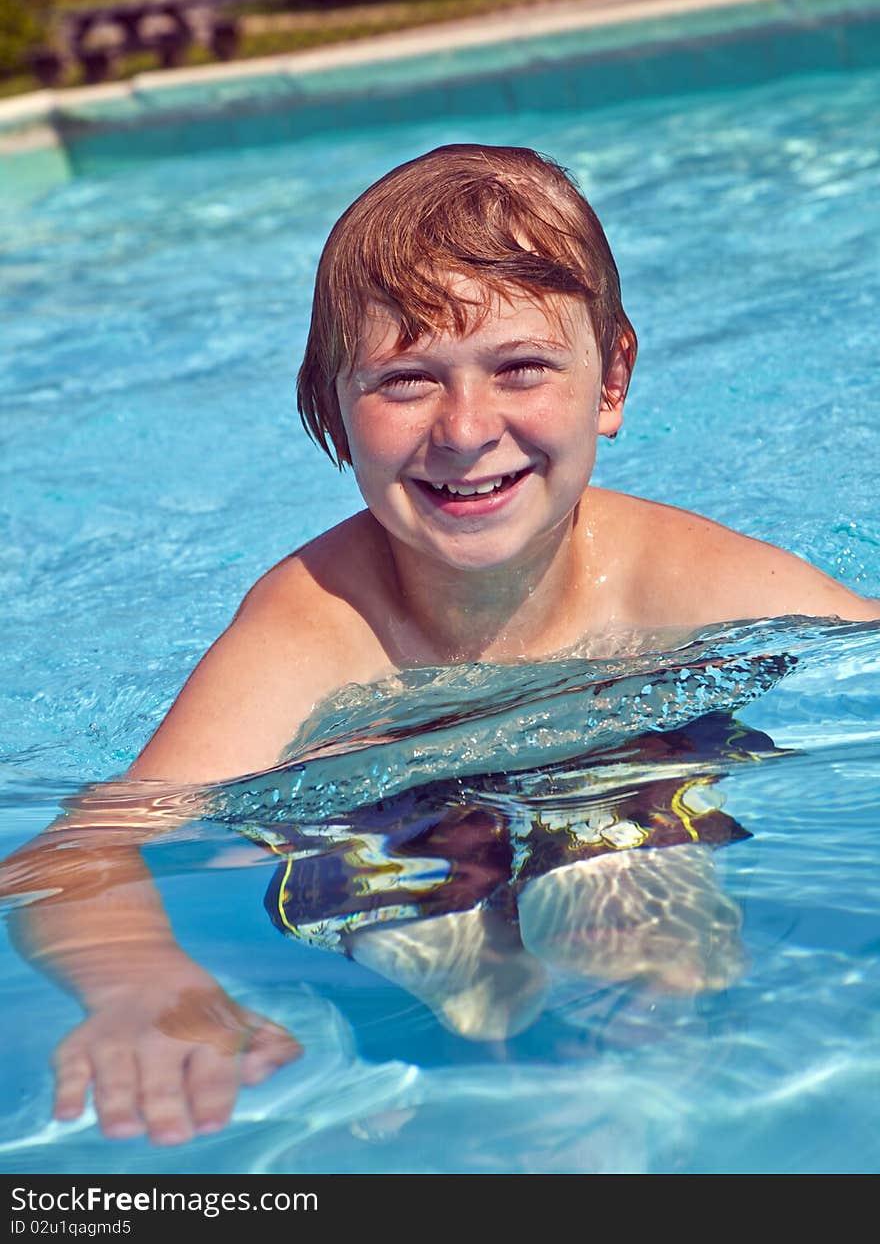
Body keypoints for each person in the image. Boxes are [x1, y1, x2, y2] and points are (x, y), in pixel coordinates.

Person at [2, 143, 876, 1147]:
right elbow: (74, 852)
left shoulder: (678, 579)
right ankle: (459, 1090)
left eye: (519, 368)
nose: (465, 429)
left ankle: (630, 1112)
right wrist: (142, 988)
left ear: (611, 378)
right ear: (332, 409)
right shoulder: (315, 629)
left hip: (622, 779)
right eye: (407, 380)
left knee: (625, 916)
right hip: (386, 820)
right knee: (450, 967)